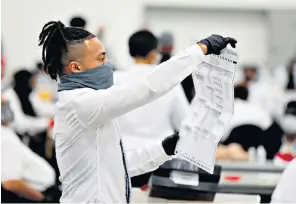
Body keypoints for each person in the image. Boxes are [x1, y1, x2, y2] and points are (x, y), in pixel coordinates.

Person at [38, 20, 236, 203]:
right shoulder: (79, 104)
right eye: (101, 58)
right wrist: (200, 50)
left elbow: (119, 167)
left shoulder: (91, 105)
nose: (107, 64)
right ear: (76, 67)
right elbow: (146, 88)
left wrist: (164, 149)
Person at [114, 30, 190, 187]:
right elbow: (186, 122)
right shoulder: (168, 81)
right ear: (154, 53)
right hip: (160, 159)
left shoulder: (113, 80)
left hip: (120, 159)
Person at [1, 96, 56, 202]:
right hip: (39, 194)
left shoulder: (6, 132)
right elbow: (10, 183)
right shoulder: (5, 138)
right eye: (4, 106)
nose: (8, 110)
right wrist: (44, 200)